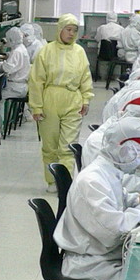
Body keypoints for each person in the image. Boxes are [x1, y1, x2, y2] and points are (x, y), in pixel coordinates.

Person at [55, 117, 140, 280]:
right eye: (138, 154)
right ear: (123, 149)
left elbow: (120, 198)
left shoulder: (107, 171)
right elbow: (115, 232)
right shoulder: (92, 181)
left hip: (102, 254)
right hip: (90, 264)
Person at [28, 13, 93, 191]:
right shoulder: (46, 51)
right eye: (68, 29)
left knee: (67, 146)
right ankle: (51, 180)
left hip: (73, 99)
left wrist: (86, 99)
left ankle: (64, 182)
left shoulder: (79, 52)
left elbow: (85, 77)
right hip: (50, 99)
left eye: (75, 30)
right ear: (60, 30)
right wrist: (36, 106)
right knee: (50, 146)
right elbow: (36, 81)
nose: (71, 34)